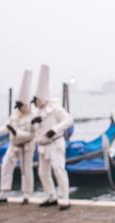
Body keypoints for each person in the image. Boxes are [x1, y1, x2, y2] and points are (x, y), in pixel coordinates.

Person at [0, 70, 36, 206]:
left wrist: (15, 132)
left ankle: (26, 195)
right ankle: (3, 193)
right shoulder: (15, 114)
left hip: (27, 146)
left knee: (26, 169)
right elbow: (7, 127)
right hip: (14, 145)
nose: (19, 108)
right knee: (6, 165)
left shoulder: (33, 116)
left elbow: (31, 134)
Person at [31, 65, 73, 211]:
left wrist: (54, 130)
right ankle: (51, 195)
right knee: (42, 172)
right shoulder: (37, 112)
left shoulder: (56, 109)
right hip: (42, 146)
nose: (35, 101)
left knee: (59, 170)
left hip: (55, 144)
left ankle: (65, 198)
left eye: (37, 99)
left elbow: (68, 120)